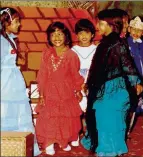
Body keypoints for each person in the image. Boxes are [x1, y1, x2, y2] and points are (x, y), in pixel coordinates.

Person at [81, 9, 143, 156]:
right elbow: (96, 67)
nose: (97, 26)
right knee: (102, 117)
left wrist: (136, 82)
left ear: (111, 25)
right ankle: (105, 146)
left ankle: (109, 149)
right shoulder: (105, 43)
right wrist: (88, 82)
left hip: (114, 88)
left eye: (101, 23)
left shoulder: (117, 43)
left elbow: (127, 64)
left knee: (109, 118)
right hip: (103, 87)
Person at [35, 21, 84, 155]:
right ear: (49, 38)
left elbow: (75, 75)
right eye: (53, 35)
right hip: (49, 91)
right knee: (50, 117)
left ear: (66, 36)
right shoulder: (46, 54)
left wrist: (78, 90)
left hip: (65, 92)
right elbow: (42, 75)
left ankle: (63, 140)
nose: (57, 38)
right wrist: (41, 94)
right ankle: (49, 142)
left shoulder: (71, 55)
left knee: (64, 118)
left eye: (60, 34)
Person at [0, 7, 42, 156]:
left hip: (14, 81)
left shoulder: (10, 39)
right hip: (4, 83)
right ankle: (5, 145)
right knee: (5, 111)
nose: (19, 25)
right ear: (5, 23)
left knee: (18, 111)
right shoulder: (1, 42)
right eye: (16, 21)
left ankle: (19, 145)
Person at [71, 18, 97, 146]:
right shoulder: (72, 50)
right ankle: (74, 133)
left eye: (87, 33)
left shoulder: (97, 49)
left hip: (92, 84)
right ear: (76, 35)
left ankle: (91, 135)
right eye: (80, 33)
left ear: (92, 34)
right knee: (76, 111)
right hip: (76, 85)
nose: (84, 36)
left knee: (91, 111)